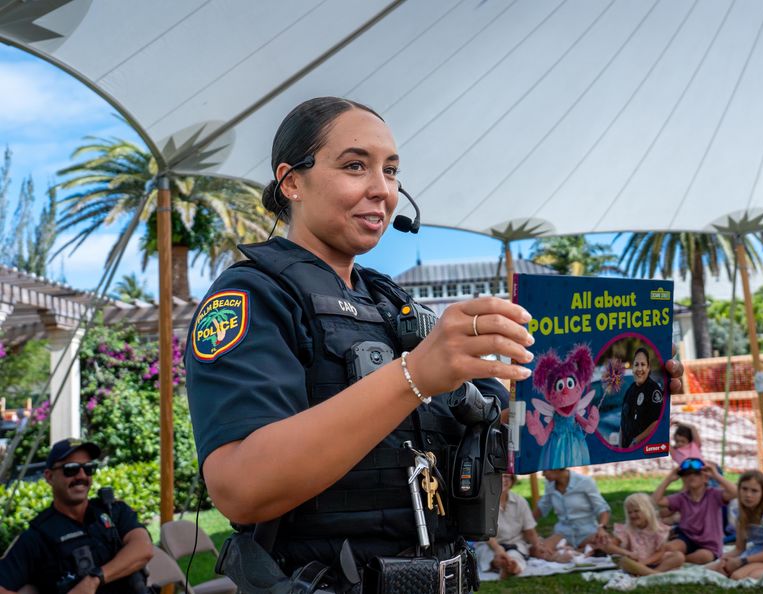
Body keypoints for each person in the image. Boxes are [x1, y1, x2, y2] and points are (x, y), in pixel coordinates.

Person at [184, 96, 686, 594]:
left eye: (392, 170)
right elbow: (240, 487)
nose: (382, 190)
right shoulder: (252, 296)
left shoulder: (395, 306)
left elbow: (496, 426)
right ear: (291, 181)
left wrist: (623, 389)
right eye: (355, 166)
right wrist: (414, 376)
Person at [0, 438, 153, 594]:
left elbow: (143, 548)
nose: (81, 476)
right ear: (49, 477)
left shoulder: (113, 511)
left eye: (88, 468)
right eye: (71, 469)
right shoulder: (37, 536)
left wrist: (94, 580)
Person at [653, 457, 737, 564]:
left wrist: (716, 475)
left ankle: (680, 559)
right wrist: (668, 479)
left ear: (705, 478)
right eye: (687, 474)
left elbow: (735, 492)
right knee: (669, 547)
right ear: (683, 479)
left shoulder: (714, 494)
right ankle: (672, 558)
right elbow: (655, 501)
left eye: (696, 474)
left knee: (704, 556)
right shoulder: (681, 497)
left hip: (709, 544)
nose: (691, 477)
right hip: (686, 538)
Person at [595, 493, 683, 576]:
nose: (633, 515)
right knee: (623, 561)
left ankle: (652, 573)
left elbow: (660, 552)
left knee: (679, 556)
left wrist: (644, 563)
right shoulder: (627, 529)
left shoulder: (658, 529)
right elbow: (609, 546)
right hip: (634, 563)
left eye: (636, 511)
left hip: (655, 562)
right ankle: (652, 574)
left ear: (647, 511)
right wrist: (627, 553)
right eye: (630, 512)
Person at [534, 468, 611, 550]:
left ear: (557, 468)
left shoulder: (584, 481)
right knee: (538, 550)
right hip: (563, 533)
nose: (543, 474)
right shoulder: (549, 485)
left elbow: (602, 508)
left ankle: (576, 552)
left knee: (605, 545)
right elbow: (542, 508)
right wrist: (526, 525)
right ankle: (579, 552)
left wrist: (601, 528)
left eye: (545, 471)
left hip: (587, 532)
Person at [619, 347, 664, 448]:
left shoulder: (654, 390)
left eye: (643, 364)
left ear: (648, 368)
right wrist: (620, 446)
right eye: (636, 365)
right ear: (633, 368)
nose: (639, 369)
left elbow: (657, 421)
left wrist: (636, 441)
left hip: (643, 449)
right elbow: (623, 422)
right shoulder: (630, 390)